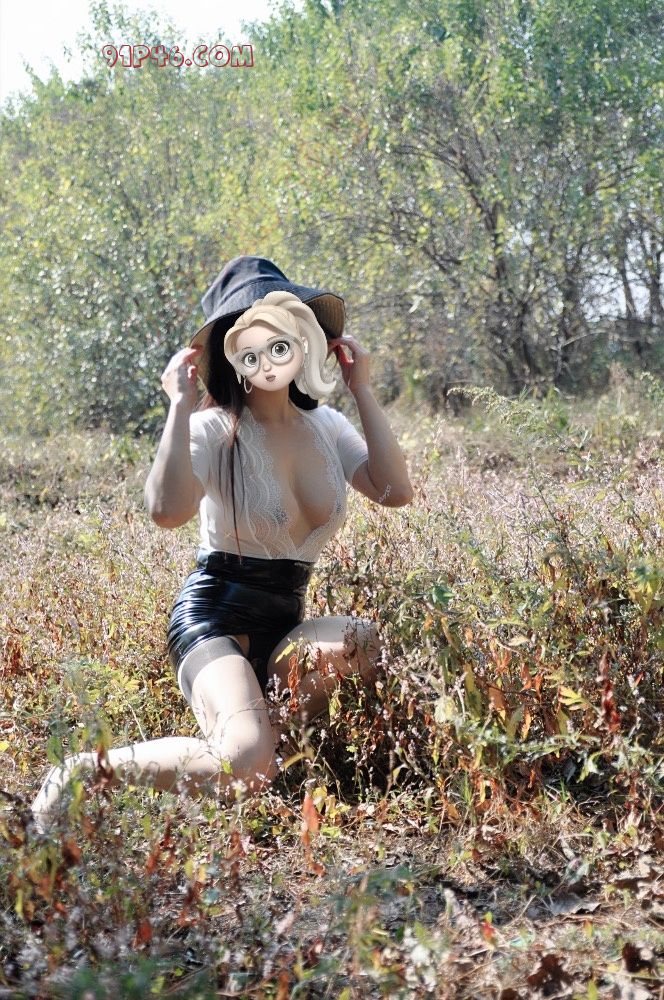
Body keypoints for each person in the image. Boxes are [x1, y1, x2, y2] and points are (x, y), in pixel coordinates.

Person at [32, 256, 414, 827]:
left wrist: (361, 389)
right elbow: (167, 512)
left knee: (367, 642)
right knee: (246, 764)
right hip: (215, 620)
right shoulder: (211, 429)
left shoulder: (328, 427)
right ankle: (86, 771)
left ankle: (258, 755)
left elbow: (394, 490)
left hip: (286, 623)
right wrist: (179, 406)